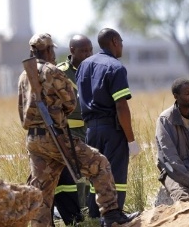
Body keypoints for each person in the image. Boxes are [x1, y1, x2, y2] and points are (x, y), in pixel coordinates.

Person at [18, 33, 137, 227]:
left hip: (33, 139)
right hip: (54, 137)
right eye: (52, 49)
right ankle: (111, 215)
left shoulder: (24, 75)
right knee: (100, 164)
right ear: (48, 50)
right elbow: (72, 102)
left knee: (43, 191)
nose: (54, 53)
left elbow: (21, 108)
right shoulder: (53, 71)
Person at [76, 28, 141, 219]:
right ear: (114, 41)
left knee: (95, 173)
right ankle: (115, 216)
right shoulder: (115, 67)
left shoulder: (84, 65)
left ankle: (96, 216)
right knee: (116, 174)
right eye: (121, 41)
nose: (122, 45)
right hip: (111, 129)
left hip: (90, 130)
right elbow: (121, 106)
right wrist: (131, 140)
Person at [52, 34, 93, 225]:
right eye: (83, 51)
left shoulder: (94, 68)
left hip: (91, 129)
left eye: (89, 50)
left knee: (90, 173)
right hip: (70, 131)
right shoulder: (60, 72)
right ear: (72, 51)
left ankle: (88, 211)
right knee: (74, 176)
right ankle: (74, 214)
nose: (87, 54)